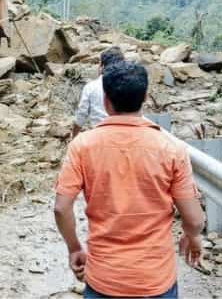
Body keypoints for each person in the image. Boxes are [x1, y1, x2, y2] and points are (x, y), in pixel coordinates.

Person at [54, 61, 204, 298]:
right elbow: (194, 220)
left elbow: (61, 208)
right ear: (145, 96)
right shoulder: (171, 148)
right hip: (155, 281)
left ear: (105, 100)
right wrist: (191, 235)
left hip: (104, 279)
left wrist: (74, 248)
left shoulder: (82, 145)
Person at [71, 47, 124, 137]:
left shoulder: (91, 87)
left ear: (102, 66)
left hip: (98, 135)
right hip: (123, 135)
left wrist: (74, 137)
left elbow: (81, 116)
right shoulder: (127, 86)